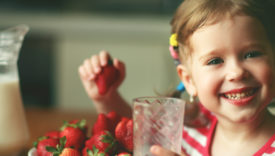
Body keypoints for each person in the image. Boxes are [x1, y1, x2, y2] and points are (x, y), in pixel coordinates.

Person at [78, 0, 275, 155]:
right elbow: (136, 136)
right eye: (215, 61)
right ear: (189, 80)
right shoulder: (192, 123)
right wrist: (106, 97)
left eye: (252, 54)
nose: (237, 72)